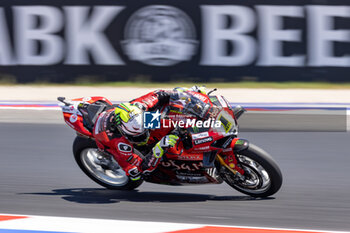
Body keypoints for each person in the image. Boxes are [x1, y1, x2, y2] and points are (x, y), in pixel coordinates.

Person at [93, 86, 206, 181]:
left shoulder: (139, 107)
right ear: (125, 132)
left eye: (144, 132)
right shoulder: (119, 144)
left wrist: (190, 94)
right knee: (134, 174)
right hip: (108, 141)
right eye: (139, 136)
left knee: (170, 112)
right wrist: (159, 148)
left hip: (133, 118)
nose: (144, 137)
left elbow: (162, 93)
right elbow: (141, 170)